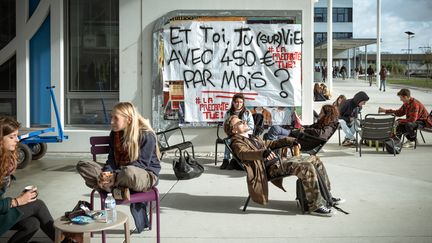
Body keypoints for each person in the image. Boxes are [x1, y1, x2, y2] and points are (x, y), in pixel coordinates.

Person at [224, 115, 344, 217]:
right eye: (240, 122)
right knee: (306, 166)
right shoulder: (237, 142)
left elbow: (270, 143)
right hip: (269, 169)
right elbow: (244, 154)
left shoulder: (251, 137)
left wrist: (290, 141)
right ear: (234, 130)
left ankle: (327, 196)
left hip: (278, 162)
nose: (244, 122)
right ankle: (316, 205)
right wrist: (262, 153)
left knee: (314, 159)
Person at [76, 102, 161, 232]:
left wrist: (114, 175)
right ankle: (116, 188)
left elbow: (142, 165)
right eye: (111, 117)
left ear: (129, 119)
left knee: (128, 172)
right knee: (83, 165)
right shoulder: (114, 134)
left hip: (143, 175)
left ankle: (110, 187)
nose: (111, 121)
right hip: (119, 175)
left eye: (116, 118)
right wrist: (107, 172)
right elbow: (111, 159)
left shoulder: (146, 135)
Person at [0, 117, 55, 243]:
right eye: (12, 137)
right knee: (38, 205)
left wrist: (22, 198)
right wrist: (17, 201)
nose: (17, 140)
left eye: (17, 136)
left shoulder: (5, 160)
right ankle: (62, 240)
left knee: (32, 223)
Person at [220, 93, 255, 170]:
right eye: (236, 102)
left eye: (241, 102)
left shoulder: (247, 112)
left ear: (243, 103)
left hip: (245, 134)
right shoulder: (228, 113)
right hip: (233, 133)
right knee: (228, 140)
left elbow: (251, 126)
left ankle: (234, 160)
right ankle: (226, 160)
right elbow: (225, 125)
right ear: (233, 102)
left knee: (236, 141)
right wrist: (231, 132)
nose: (238, 104)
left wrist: (243, 129)